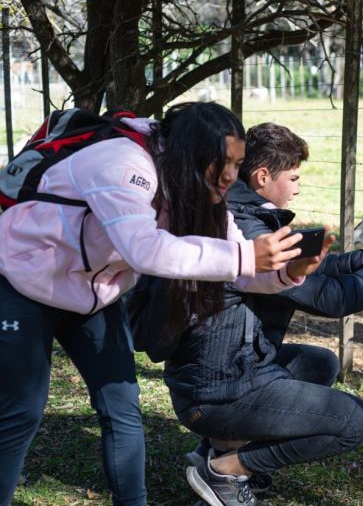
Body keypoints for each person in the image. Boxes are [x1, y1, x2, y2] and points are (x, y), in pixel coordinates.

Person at [0, 103, 327, 506]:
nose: (230, 176)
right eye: (223, 163)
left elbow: (237, 259)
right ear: (190, 152)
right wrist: (245, 257)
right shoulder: (120, 163)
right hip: (20, 279)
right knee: (22, 411)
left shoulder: (194, 184)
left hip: (92, 294)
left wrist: (284, 271)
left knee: (121, 408)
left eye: (238, 164)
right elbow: (145, 250)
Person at [127, 122, 363, 506]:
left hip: (216, 373)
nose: (299, 186)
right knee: (353, 421)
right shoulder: (247, 231)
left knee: (320, 364)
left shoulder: (239, 212)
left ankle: (216, 450)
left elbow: (315, 270)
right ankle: (226, 470)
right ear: (263, 176)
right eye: (294, 177)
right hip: (215, 393)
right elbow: (331, 299)